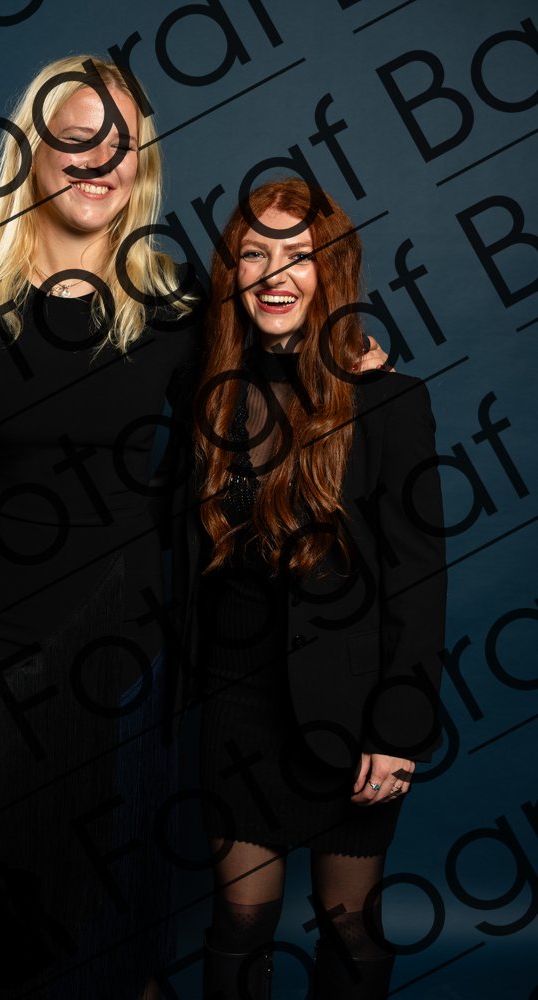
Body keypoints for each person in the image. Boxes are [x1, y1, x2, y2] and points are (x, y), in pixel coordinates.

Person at [0, 54, 202, 999]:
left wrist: (352, 364)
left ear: (142, 164)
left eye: (122, 144)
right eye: (77, 138)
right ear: (31, 154)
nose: (101, 161)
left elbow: (213, 465)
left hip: (120, 642)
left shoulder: (179, 305)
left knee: (104, 911)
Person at [193, 179, 446, 999]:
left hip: (352, 710)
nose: (274, 274)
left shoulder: (391, 401)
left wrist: (399, 728)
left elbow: (417, 575)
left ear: (329, 272)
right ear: (231, 272)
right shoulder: (201, 390)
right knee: (240, 918)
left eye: (298, 256)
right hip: (233, 705)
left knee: (348, 926)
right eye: (253, 253)